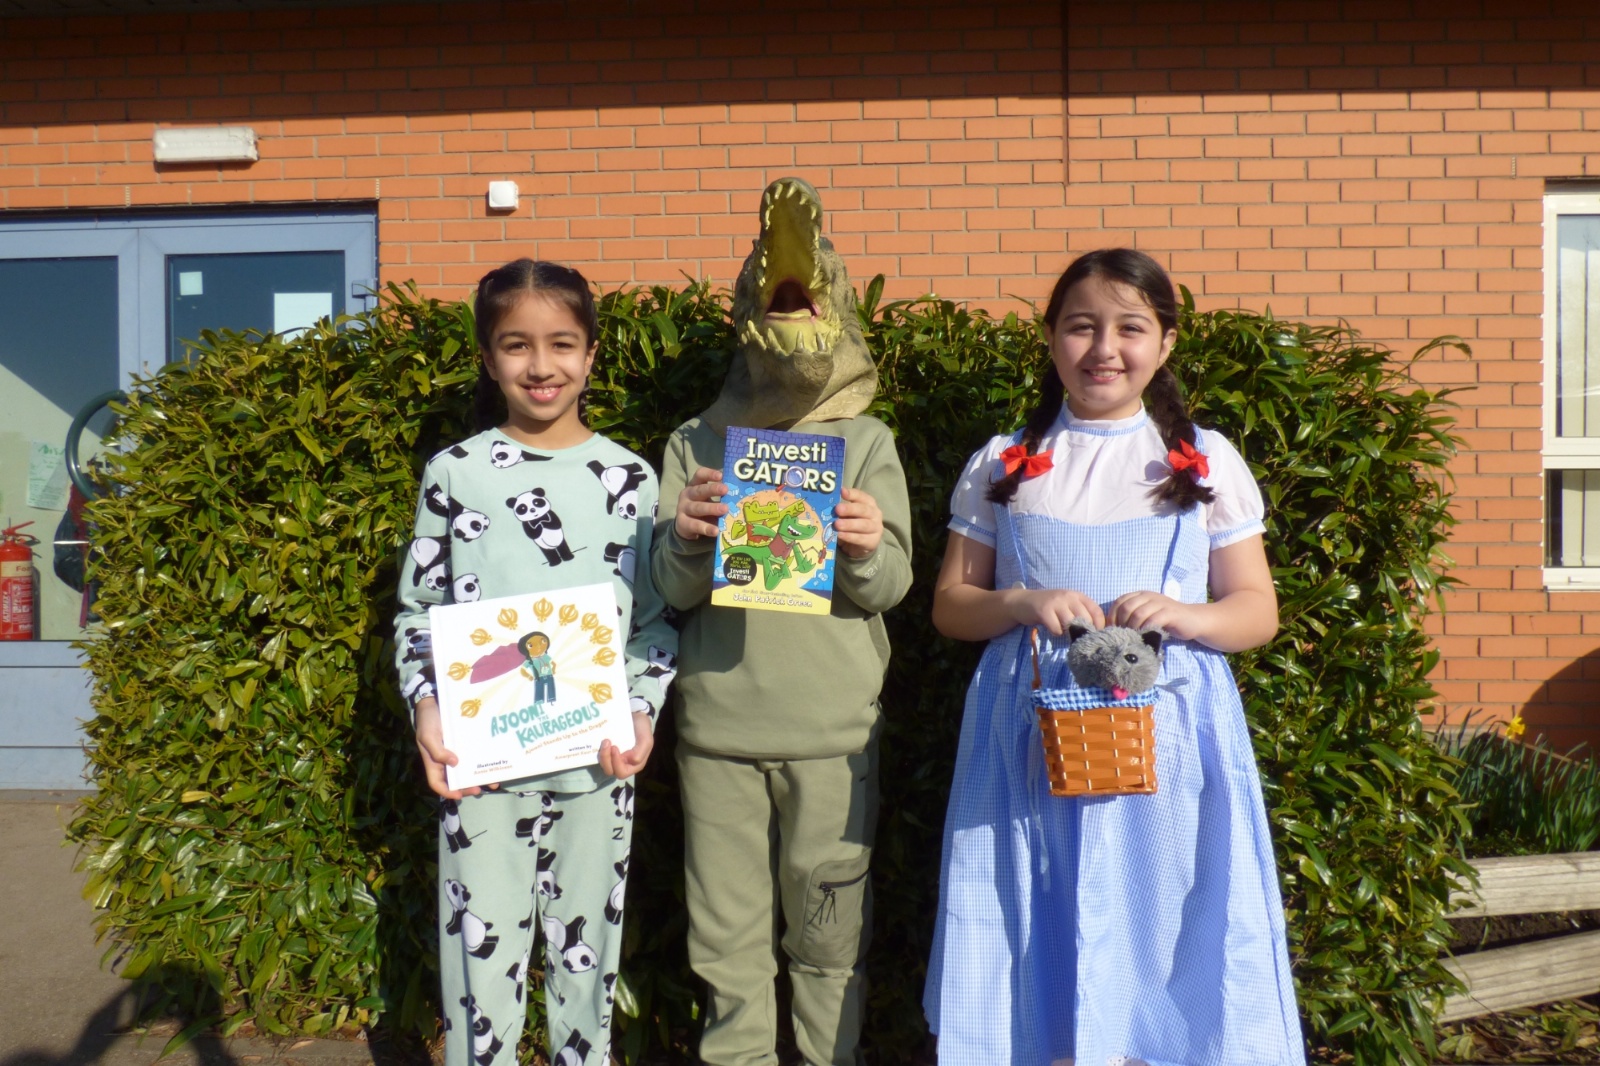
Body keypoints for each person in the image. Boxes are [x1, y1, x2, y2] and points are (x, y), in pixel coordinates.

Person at [923, 249, 1305, 1066]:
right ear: (1051, 338)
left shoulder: (1203, 459)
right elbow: (951, 605)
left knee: (1160, 922)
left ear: (1165, 342)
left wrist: (1188, 616)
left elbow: (1256, 610)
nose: (1104, 348)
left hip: (1166, 739)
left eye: (1130, 327)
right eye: (1081, 326)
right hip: (1029, 739)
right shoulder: (1004, 462)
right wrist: (1018, 602)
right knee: (1036, 916)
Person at [653, 179, 913, 1066]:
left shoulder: (868, 442)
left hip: (832, 740)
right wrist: (688, 537)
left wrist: (867, 547)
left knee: (830, 937)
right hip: (718, 735)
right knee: (724, 942)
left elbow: (892, 588)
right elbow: (667, 588)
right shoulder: (693, 443)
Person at [393, 258, 676, 1066]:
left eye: (561, 343)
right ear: (488, 358)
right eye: (516, 345)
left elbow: (654, 622)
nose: (541, 365)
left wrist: (642, 711)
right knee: (479, 972)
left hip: (598, 766)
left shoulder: (632, 479)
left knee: (589, 971)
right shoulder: (456, 473)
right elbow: (419, 609)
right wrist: (427, 705)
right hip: (481, 768)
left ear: (591, 354)